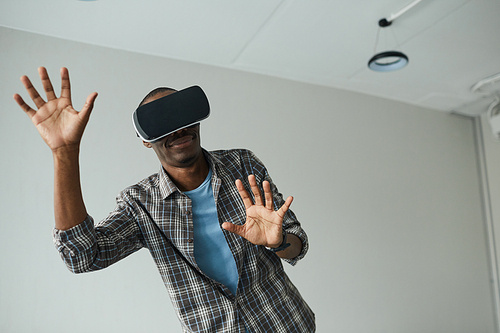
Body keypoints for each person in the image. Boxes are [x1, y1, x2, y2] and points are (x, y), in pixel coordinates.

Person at [14, 67, 315, 333]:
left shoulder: (243, 165)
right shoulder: (141, 204)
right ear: (145, 139)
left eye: (182, 115)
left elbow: (297, 246)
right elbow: (82, 256)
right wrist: (64, 151)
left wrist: (277, 243)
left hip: (286, 323)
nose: (178, 129)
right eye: (161, 123)